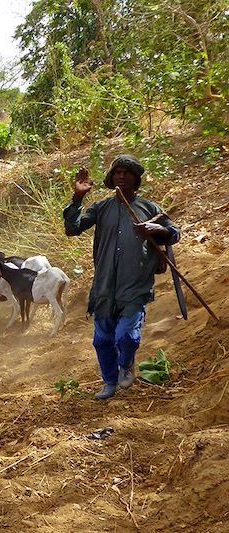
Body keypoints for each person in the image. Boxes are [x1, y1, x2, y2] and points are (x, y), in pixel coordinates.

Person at [63, 155, 180, 400]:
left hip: (135, 284)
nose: (122, 176)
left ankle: (126, 364)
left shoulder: (149, 209)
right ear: (111, 178)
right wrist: (78, 197)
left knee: (126, 336)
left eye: (127, 172)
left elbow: (174, 233)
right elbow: (72, 229)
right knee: (102, 339)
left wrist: (158, 229)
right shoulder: (101, 208)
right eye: (118, 172)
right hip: (104, 285)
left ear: (136, 179)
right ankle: (109, 382)